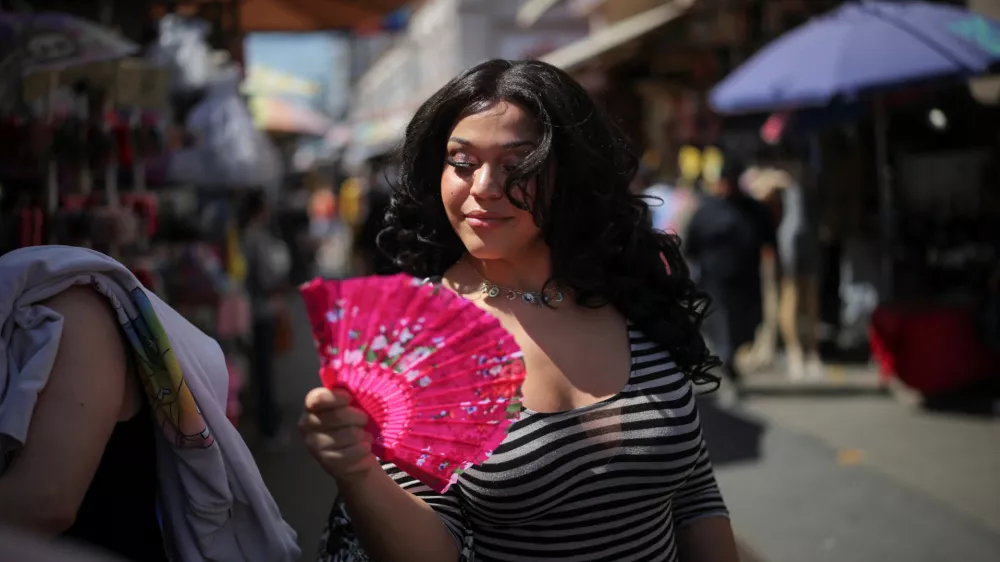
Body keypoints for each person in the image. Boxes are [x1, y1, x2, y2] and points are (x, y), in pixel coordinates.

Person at [299, 59, 738, 562]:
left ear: (569, 172)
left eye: (517, 163)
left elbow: (694, 492)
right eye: (462, 161)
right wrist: (358, 472)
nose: (484, 187)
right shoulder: (415, 339)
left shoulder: (628, 281)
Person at [685, 156, 777, 402]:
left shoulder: (754, 210)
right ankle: (727, 367)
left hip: (747, 281)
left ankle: (730, 361)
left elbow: (768, 241)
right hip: (715, 283)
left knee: (746, 326)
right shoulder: (707, 211)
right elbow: (692, 246)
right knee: (722, 328)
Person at [240, 190, 291, 443]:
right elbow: (265, 277)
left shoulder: (247, 234)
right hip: (261, 310)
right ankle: (269, 427)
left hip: (254, 309)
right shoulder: (256, 236)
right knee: (265, 371)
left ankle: (267, 424)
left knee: (262, 370)